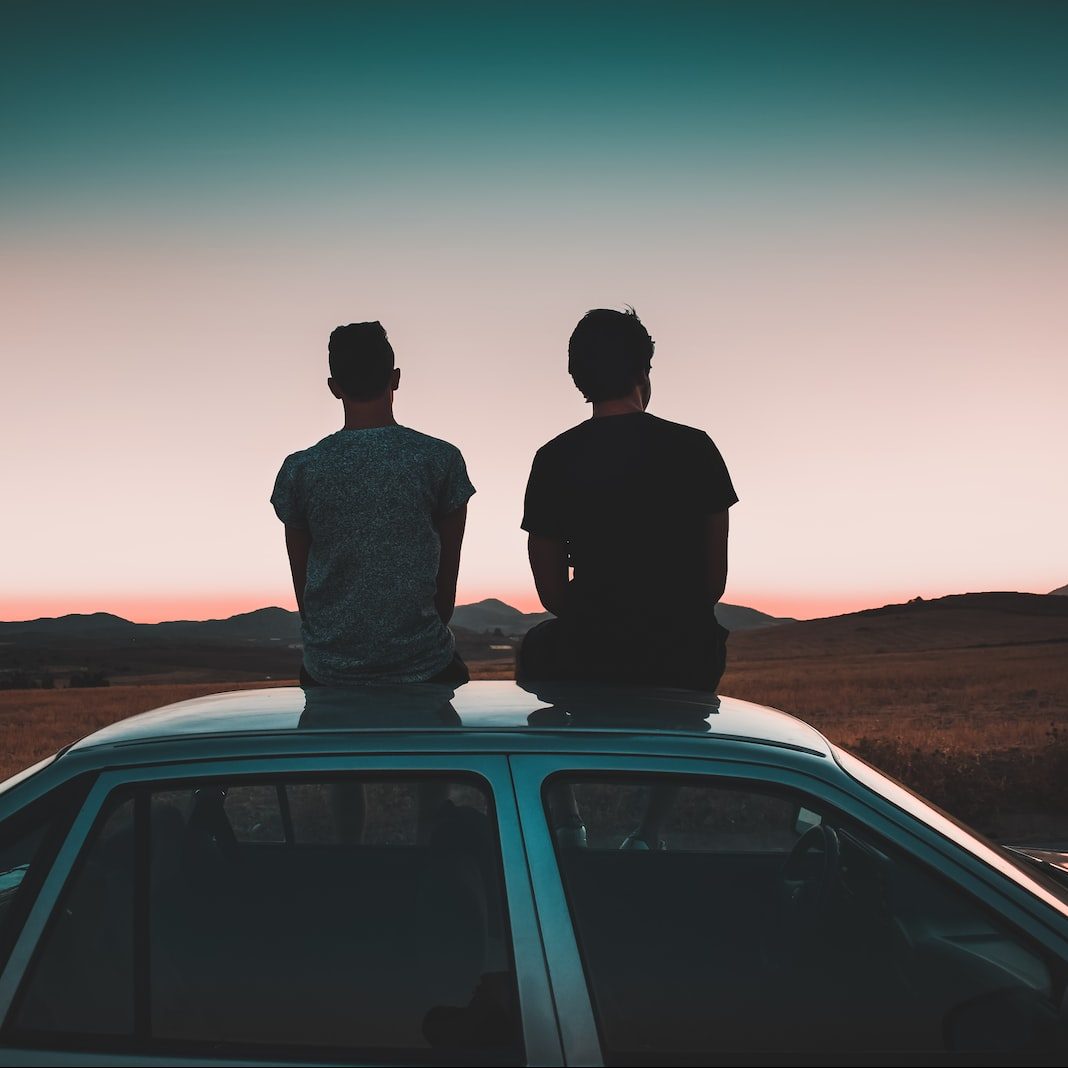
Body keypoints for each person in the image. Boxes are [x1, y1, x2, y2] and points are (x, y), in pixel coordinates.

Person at [519, 307, 738, 848]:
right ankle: (649, 831)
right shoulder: (696, 447)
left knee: (534, 654)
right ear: (644, 371)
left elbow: (551, 592)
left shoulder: (552, 458)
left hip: (589, 650)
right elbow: (713, 583)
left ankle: (567, 821)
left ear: (577, 379)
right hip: (683, 655)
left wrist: (597, 614)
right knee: (701, 655)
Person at [271, 321, 474, 687]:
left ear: (334, 388)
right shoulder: (440, 460)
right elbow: (445, 588)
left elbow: (304, 589)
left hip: (328, 670)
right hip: (426, 664)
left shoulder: (300, 470)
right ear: (395, 379)